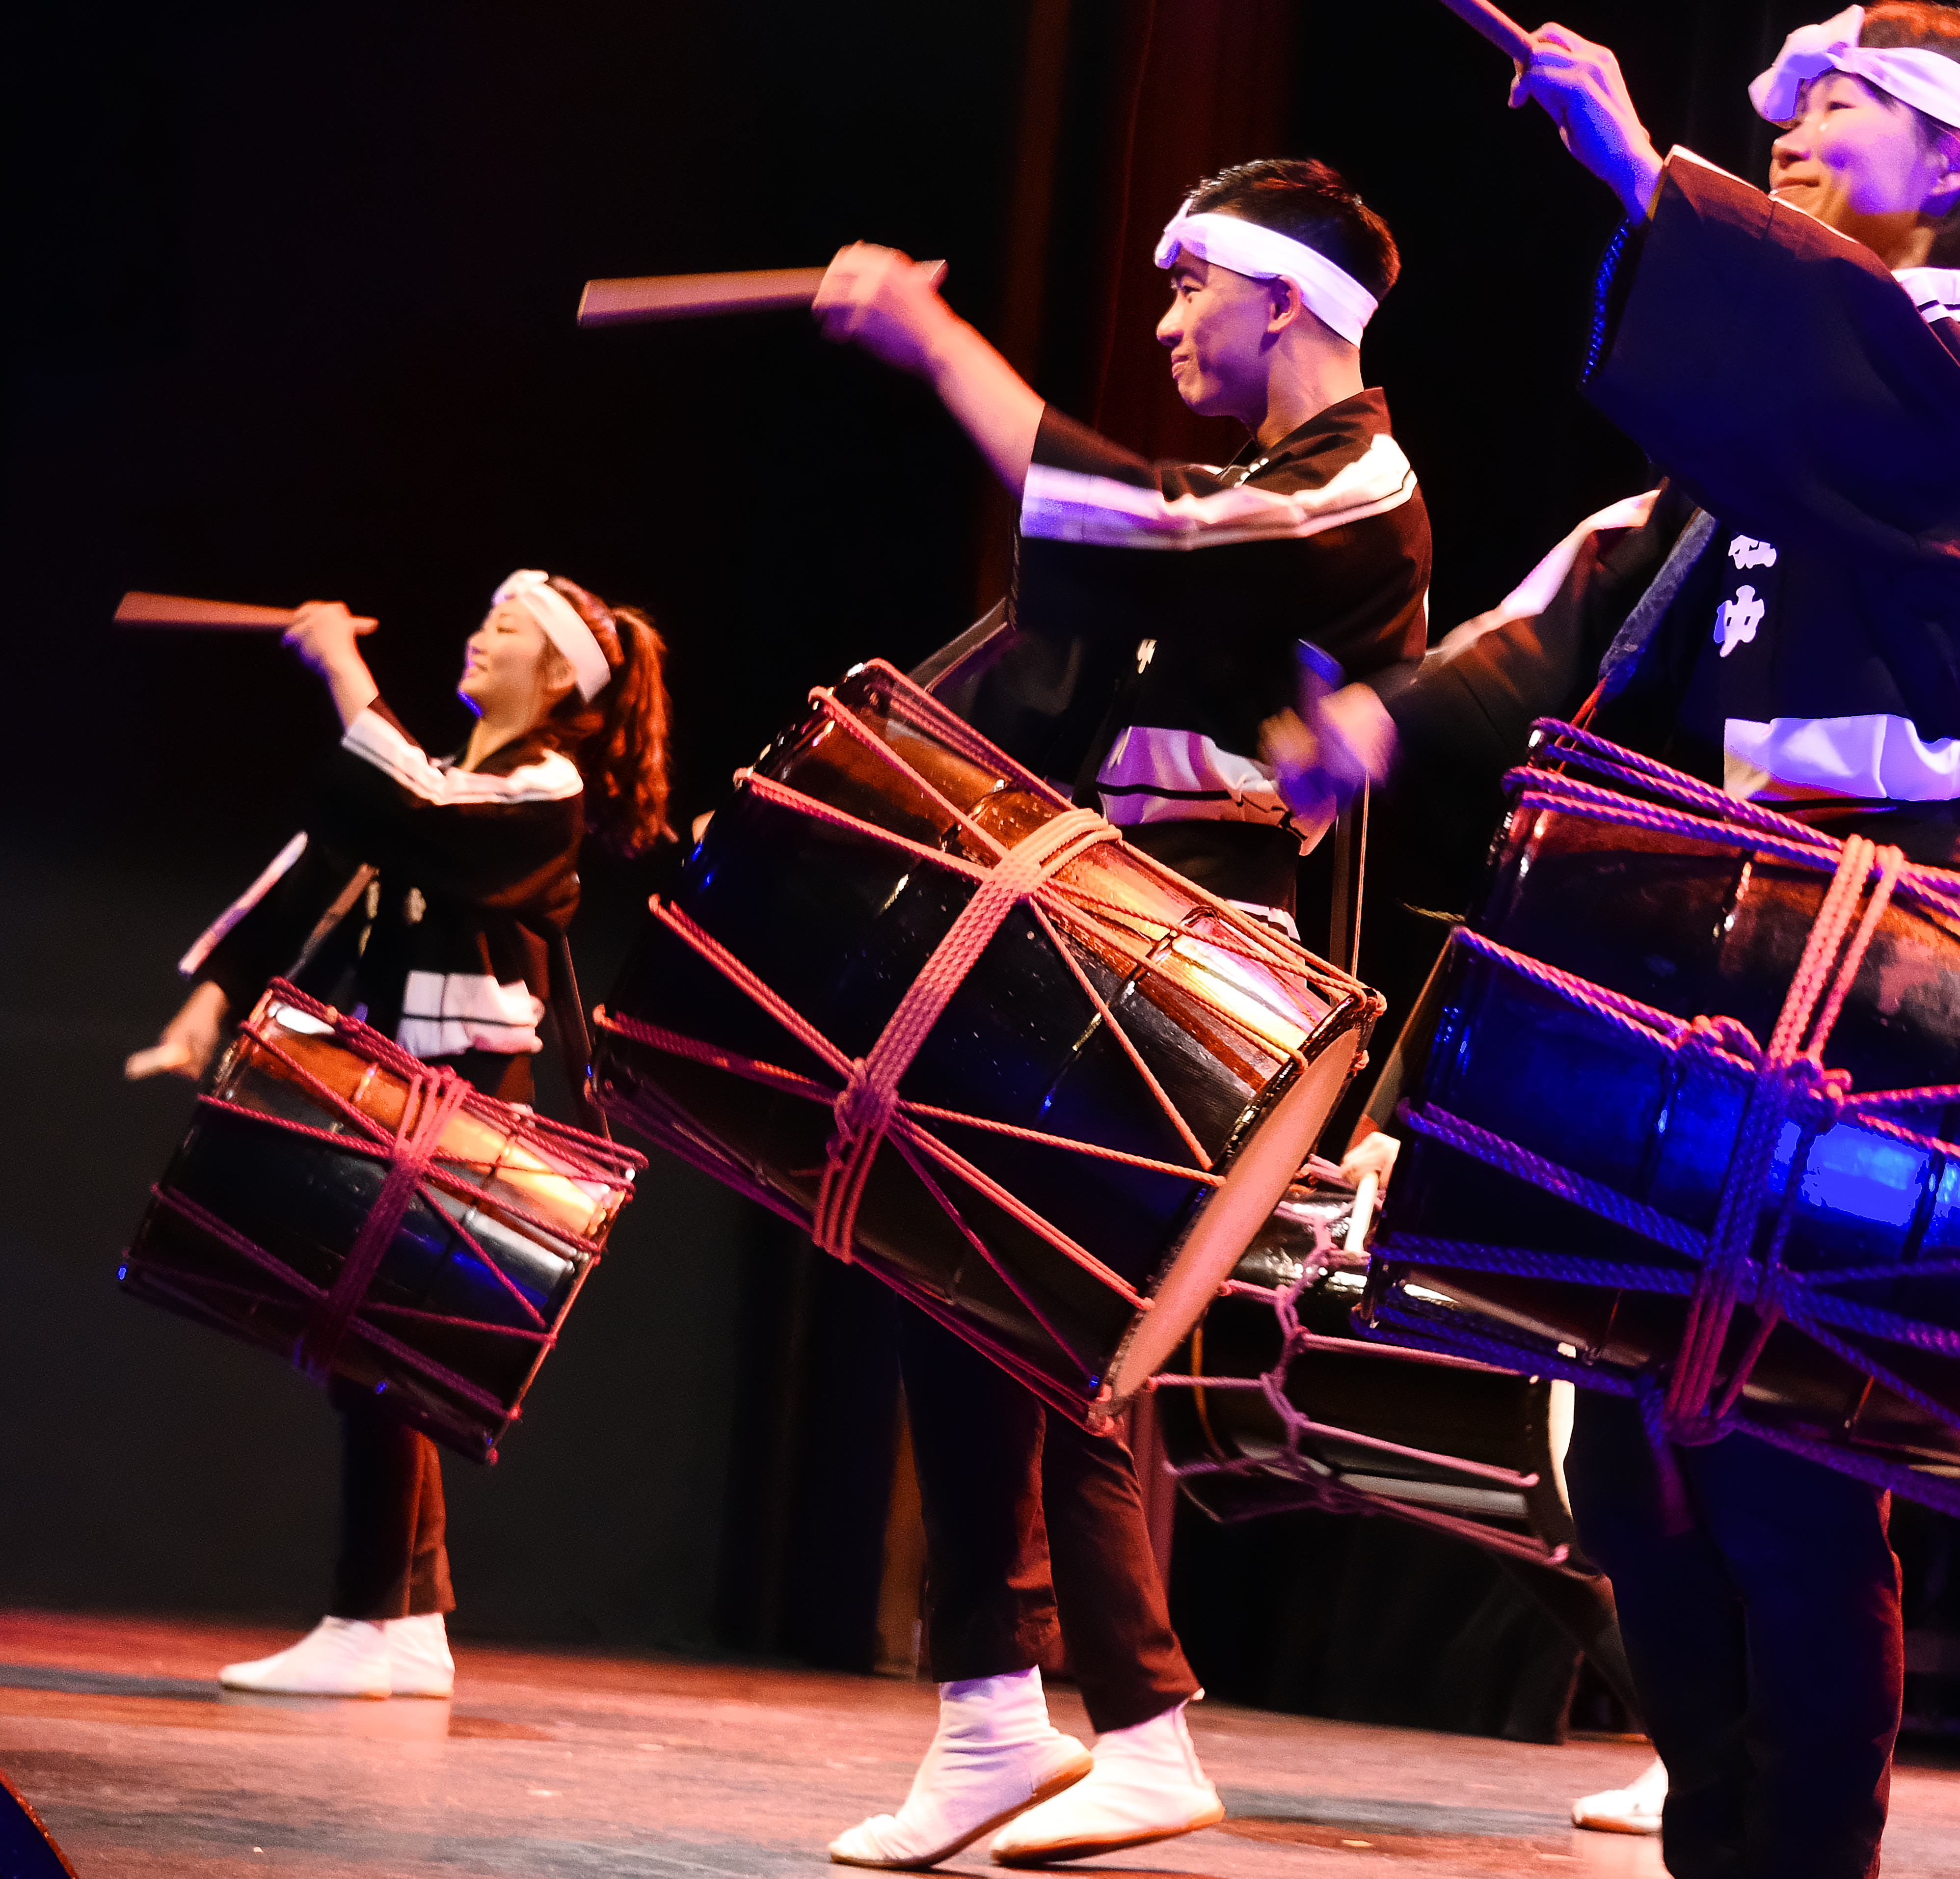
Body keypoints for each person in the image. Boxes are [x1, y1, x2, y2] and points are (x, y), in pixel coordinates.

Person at [1296, 7, 1960, 1873]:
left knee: (1792, 1477)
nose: (1797, 131)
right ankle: (1714, 1838)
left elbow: (1835, 356)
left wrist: (1643, 167)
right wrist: (1384, 717)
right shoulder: (1784, 437)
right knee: (1636, 1462)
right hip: (1729, 957)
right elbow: (1587, 585)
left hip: (1886, 970)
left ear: (1957, 164)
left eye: (1841, 107)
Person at [807, 156, 1429, 1871]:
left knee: (1023, 1294)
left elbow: (1142, 525)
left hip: (1195, 936)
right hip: (1114, 916)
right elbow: (1076, 611)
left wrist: (938, 343)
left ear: (1282, 298)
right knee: (1000, 1288)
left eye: (1186, 288)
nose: (1162, 321)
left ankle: (1052, 1716)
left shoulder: (1353, 478)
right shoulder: (1260, 489)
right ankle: (1066, 1721)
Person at [130, 570, 673, 1699]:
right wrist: (213, 995)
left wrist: (340, 671)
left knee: (378, 1357)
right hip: (409, 1089)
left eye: (507, 627)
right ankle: (407, 1624)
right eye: (482, 618)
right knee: (381, 1359)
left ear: (561, 675)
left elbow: (413, 812)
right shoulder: (458, 783)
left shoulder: (540, 786)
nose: (480, 638)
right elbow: (327, 863)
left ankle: (370, 1618)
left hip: (469, 1100)